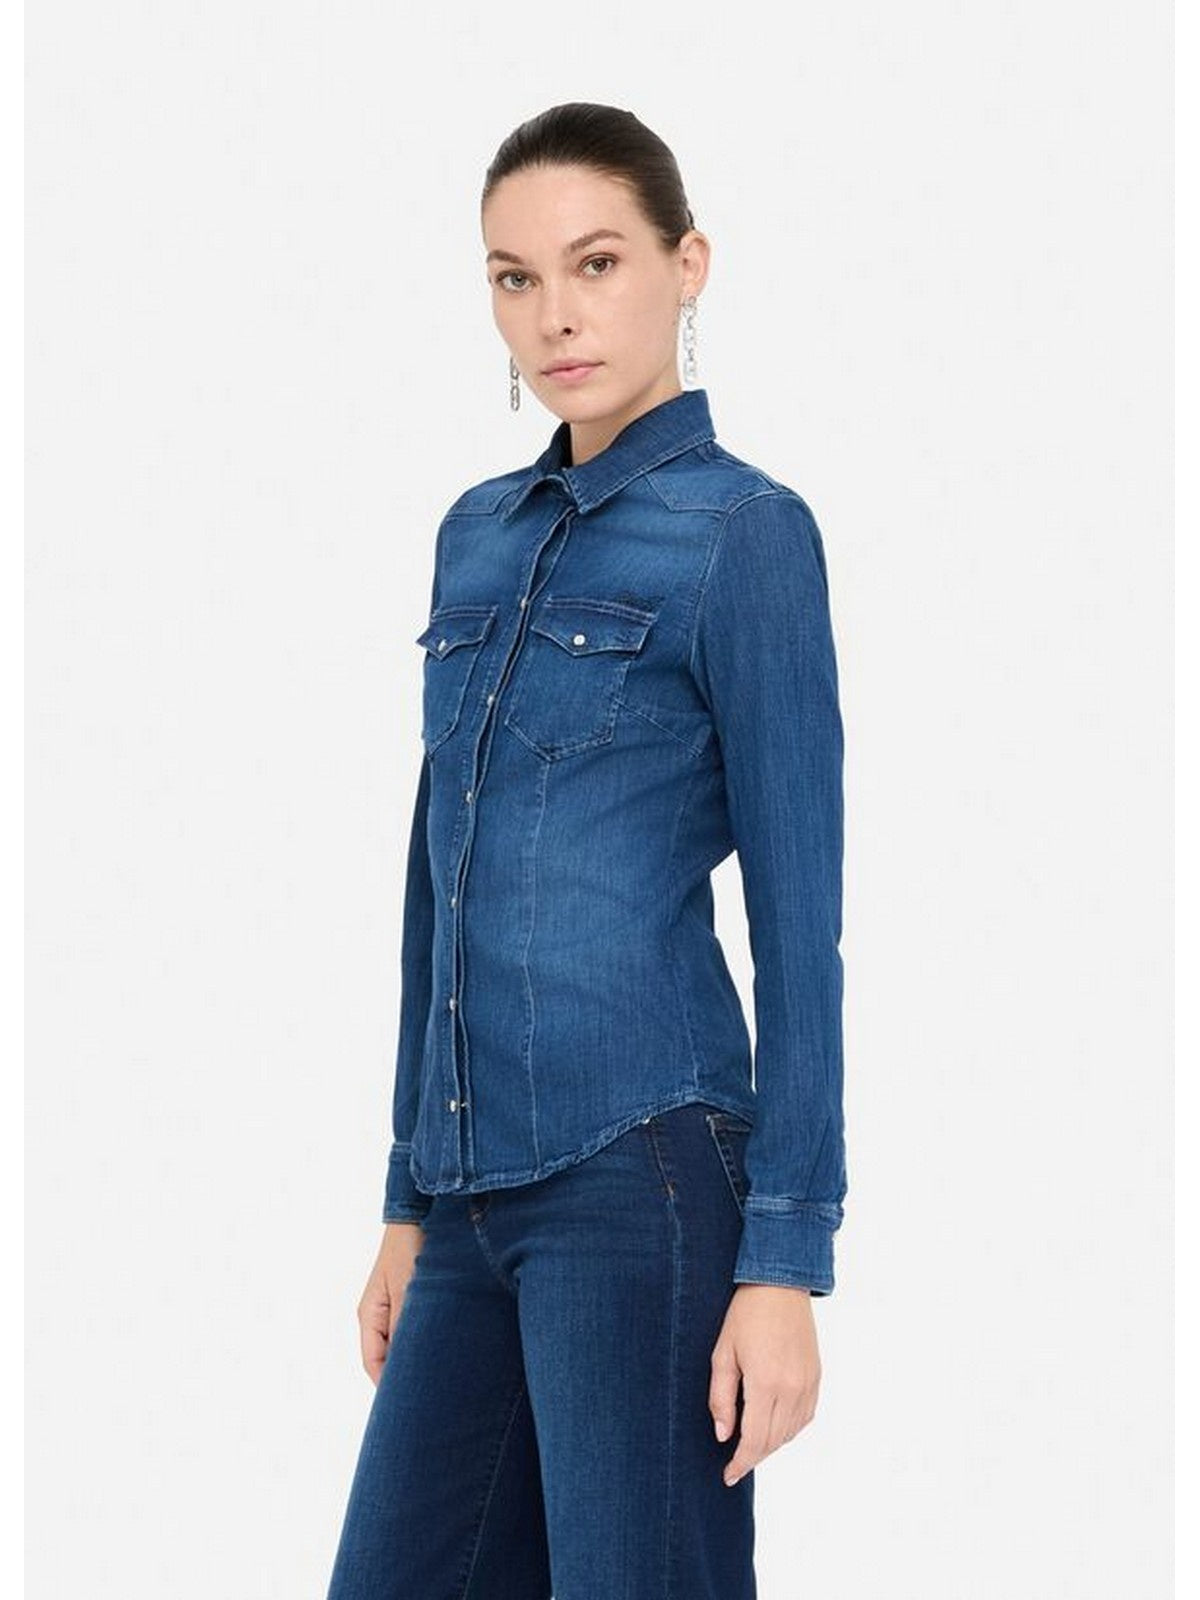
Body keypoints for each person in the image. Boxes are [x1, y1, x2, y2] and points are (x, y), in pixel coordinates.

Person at [325, 101, 848, 1600]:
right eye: (515, 276)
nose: (555, 313)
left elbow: (799, 917)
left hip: (645, 1174)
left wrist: (785, 1258)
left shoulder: (743, 534)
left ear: (689, 265)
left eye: (597, 262)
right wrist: (408, 1197)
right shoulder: (476, 536)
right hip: (467, 1191)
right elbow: (436, 884)